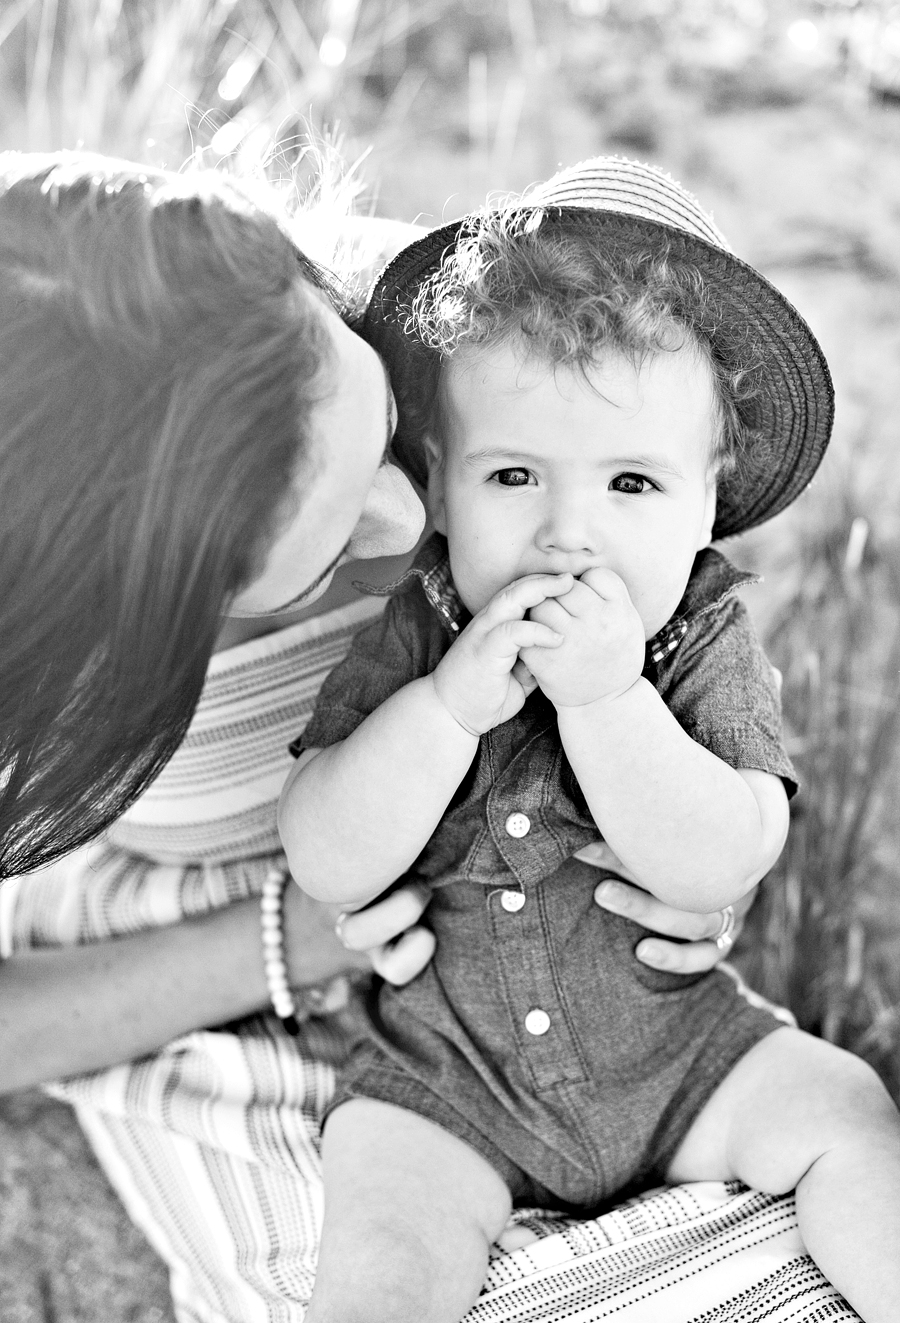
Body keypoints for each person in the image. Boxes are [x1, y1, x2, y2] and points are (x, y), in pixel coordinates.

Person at [0, 150, 770, 1323]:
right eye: (320, 546)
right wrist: (288, 942)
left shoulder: (459, 331)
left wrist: (698, 837)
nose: (415, 519)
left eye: (388, 421)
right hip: (262, 981)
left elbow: (693, 546)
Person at [279, 157, 900, 1323]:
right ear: (444, 493)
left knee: (846, 1110)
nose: (571, 536)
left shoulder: (697, 641)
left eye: (631, 482)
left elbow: (727, 855)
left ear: (708, 503)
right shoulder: (425, 631)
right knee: (380, 1253)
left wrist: (614, 704)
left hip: (678, 1059)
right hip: (445, 1082)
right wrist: (446, 711)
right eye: (515, 474)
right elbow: (326, 853)